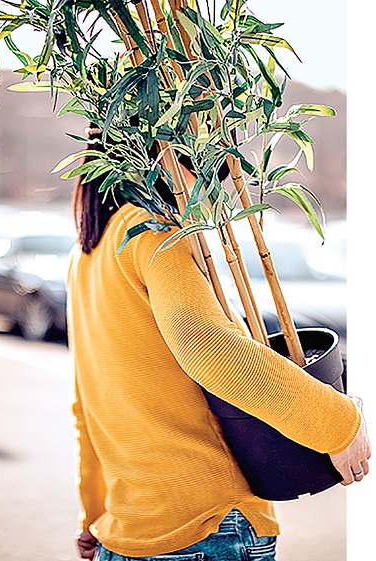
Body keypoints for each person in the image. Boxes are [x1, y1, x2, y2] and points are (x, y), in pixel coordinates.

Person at [66, 130, 371, 561]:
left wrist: (94, 514)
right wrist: (340, 423)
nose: (217, 178)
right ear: (167, 154)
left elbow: (86, 405)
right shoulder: (152, 232)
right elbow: (208, 346)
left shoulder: (85, 255)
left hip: (126, 531)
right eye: (205, 156)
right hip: (206, 526)